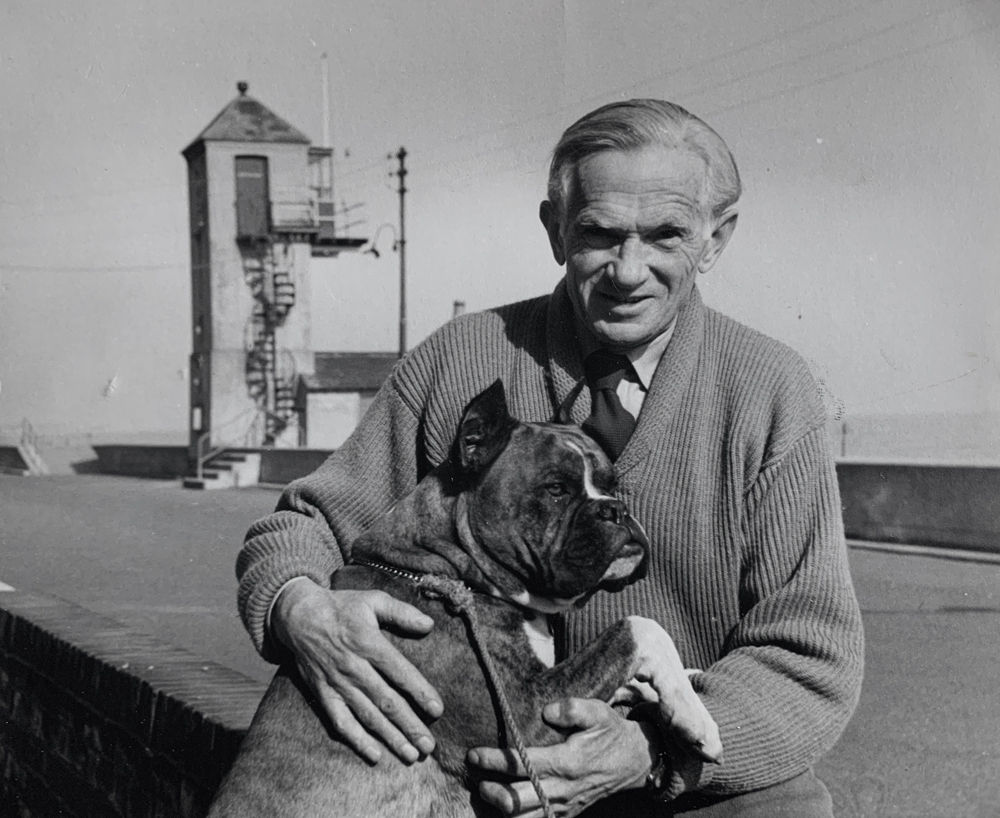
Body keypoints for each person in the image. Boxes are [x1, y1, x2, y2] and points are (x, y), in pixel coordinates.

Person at [236, 99, 864, 816]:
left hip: (692, 785)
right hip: (482, 785)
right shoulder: (459, 359)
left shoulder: (772, 391)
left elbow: (811, 659)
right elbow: (305, 525)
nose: (630, 270)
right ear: (555, 230)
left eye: (666, 235)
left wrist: (650, 752)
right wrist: (300, 610)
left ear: (716, 238)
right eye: (600, 233)